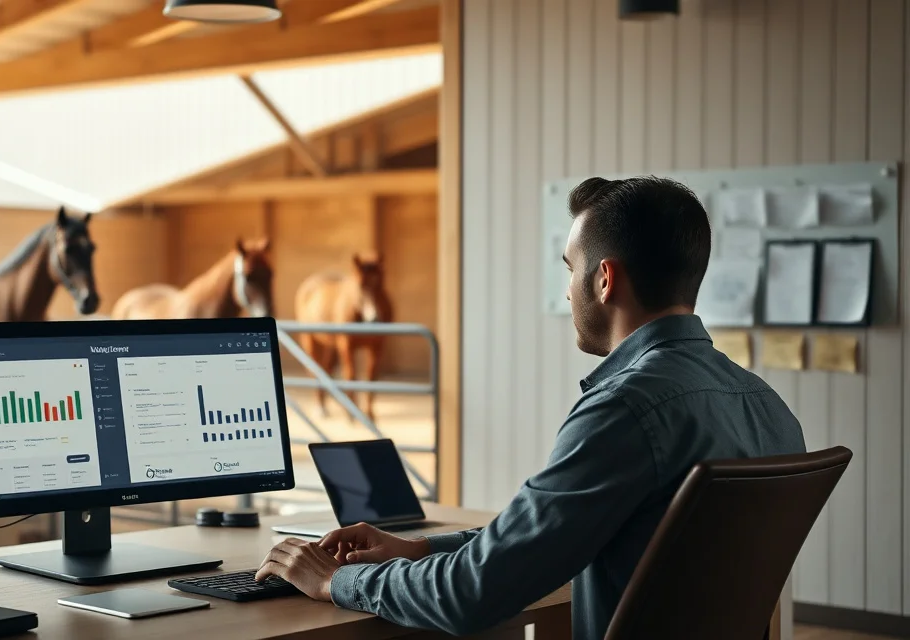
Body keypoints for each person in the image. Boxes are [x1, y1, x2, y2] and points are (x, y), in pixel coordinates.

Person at [255, 176, 807, 639]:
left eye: (570, 268)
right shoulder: (770, 409)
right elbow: (553, 538)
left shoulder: (625, 410)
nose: (568, 291)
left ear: (604, 278)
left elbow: (473, 594)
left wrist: (336, 581)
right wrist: (419, 547)